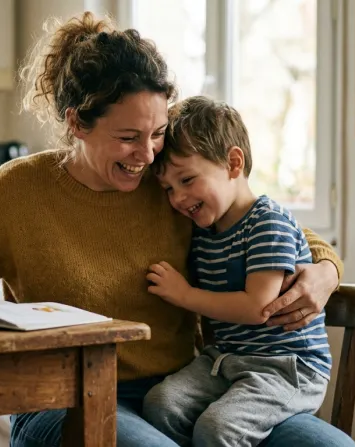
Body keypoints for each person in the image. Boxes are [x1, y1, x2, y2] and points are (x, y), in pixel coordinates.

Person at [0, 12, 354, 447]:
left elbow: (269, 225)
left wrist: (326, 271)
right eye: (128, 137)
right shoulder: (20, 190)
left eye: (158, 133)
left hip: (187, 389)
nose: (147, 155)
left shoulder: (171, 185)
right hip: (59, 399)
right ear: (77, 122)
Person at [142, 96, 331, 447]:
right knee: (161, 404)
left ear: (232, 163)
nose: (178, 198)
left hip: (288, 368)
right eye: (169, 188)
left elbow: (257, 307)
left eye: (187, 180)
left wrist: (185, 295)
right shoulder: (202, 230)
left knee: (218, 428)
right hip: (227, 360)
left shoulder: (267, 222)